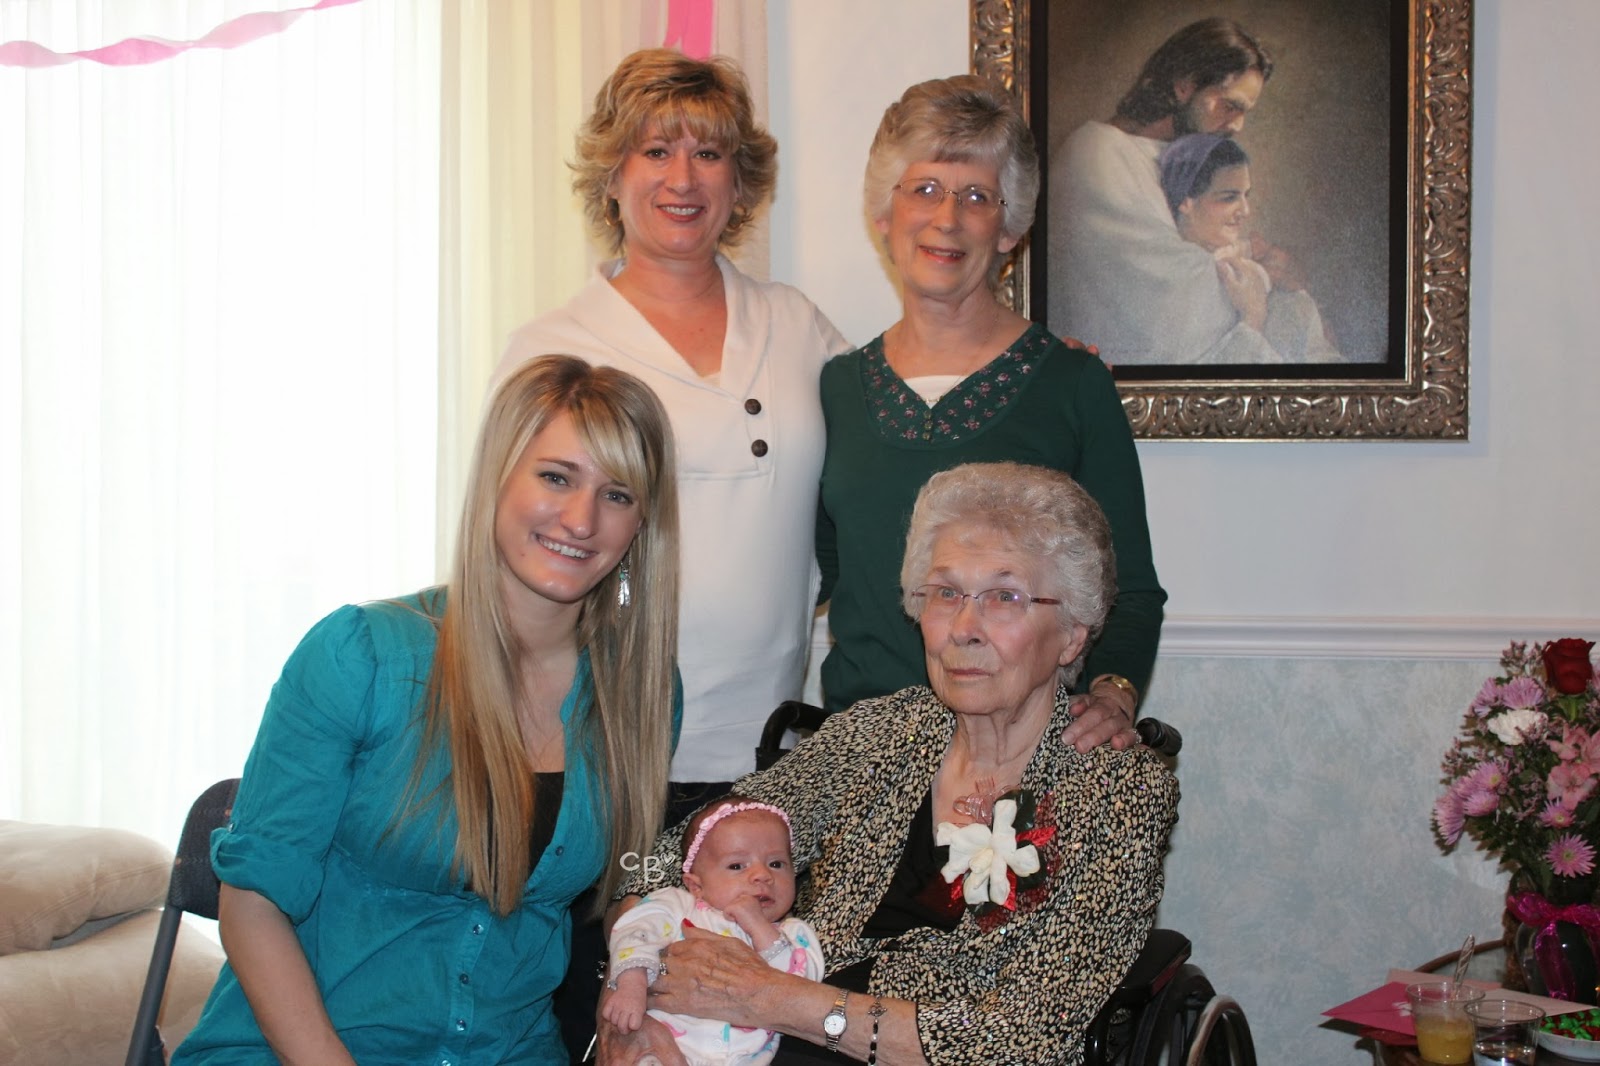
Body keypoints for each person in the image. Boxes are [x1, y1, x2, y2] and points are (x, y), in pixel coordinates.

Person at [172, 355, 682, 1064]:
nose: (581, 519)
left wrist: (635, 989)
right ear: (498, 477)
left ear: (641, 525)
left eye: (617, 494)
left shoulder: (641, 698)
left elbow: (620, 882)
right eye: (556, 477)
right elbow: (251, 905)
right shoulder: (361, 657)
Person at [492, 47, 849, 1057]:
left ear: (741, 180)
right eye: (655, 150)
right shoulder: (556, 344)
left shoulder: (795, 325)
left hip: (766, 767)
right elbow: (511, 548)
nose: (682, 178)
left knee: (746, 1033)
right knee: (619, 1029)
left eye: (709, 153)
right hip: (613, 757)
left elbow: (890, 453)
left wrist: (1018, 358)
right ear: (611, 173)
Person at [599, 461, 1180, 1066]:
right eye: (946, 593)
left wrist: (774, 998)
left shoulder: (1119, 792)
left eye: (1004, 597)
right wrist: (628, 989)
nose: (963, 628)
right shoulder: (878, 734)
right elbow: (667, 859)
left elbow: (1025, 1037)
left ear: (1073, 636)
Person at [816, 74, 1164, 754]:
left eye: (976, 196)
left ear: (1010, 228)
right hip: (862, 761)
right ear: (884, 213)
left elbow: (1131, 588)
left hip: (1020, 765)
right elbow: (827, 572)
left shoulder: (1072, 384)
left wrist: (1114, 693)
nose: (946, 219)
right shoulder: (836, 389)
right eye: (924, 189)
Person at [1050, 17, 1295, 365]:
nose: (1238, 125)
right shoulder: (1095, 152)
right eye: (1230, 106)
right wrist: (1260, 277)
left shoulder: (1180, 158)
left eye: (1244, 112)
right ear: (1184, 86)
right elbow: (1170, 290)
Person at [604, 796, 825, 1064]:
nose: (763, 875)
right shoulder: (676, 906)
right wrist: (632, 983)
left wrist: (758, 926)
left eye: (776, 864)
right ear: (696, 886)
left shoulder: (795, 935)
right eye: (737, 866)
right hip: (661, 1051)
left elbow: (799, 992)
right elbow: (635, 933)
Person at [1159, 132, 1344, 362]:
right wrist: (1253, 314)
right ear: (1186, 201)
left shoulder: (1257, 269)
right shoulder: (1175, 278)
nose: (1245, 211)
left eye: (1246, 196)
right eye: (1229, 197)